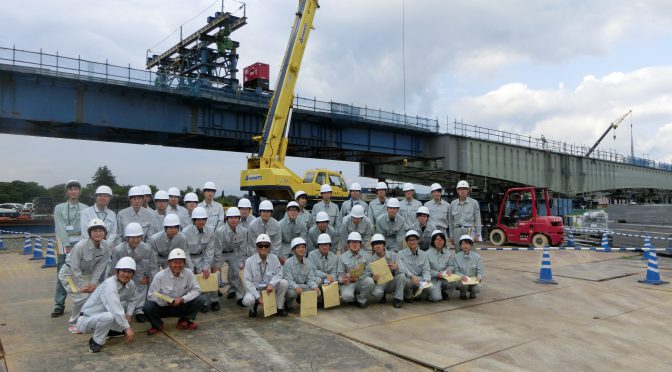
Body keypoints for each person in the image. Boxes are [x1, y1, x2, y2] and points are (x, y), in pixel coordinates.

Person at [75, 257, 138, 353]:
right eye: (123, 271)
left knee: (121, 310)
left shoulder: (131, 284)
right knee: (111, 315)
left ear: (133, 274)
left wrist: (129, 315)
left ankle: (110, 330)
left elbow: (133, 299)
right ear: (116, 271)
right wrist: (127, 328)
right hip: (86, 320)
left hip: (101, 316)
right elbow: (115, 308)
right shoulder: (110, 285)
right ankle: (96, 342)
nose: (126, 274)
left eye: (130, 272)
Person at [58, 218, 112, 323]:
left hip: (88, 274)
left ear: (105, 233)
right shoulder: (80, 246)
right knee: (81, 296)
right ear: (89, 233)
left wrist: (92, 283)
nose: (98, 233)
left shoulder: (106, 246)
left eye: (101, 230)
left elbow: (100, 266)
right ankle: (75, 320)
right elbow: (74, 268)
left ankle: (90, 317)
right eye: (95, 231)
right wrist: (84, 286)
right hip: (69, 275)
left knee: (98, 293)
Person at [144, 248, 206, 334]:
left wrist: (183, 299)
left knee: (201, 299)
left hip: (182, 305)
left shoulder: (188, 273)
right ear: (169, 264)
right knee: (147, 306)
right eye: (175, 262)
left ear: (184, 263)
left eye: (180, 262)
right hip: (164, 307)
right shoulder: (160, 276)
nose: (178, 265)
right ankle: (157, 324)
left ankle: (185, 320)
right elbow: (151, 295)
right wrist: (166, 302)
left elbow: (197, 290)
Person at [51, 180, 88, 317]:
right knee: (62, 273)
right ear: (67, 192)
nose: (73, 191)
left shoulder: (85, 208)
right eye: (70, 189)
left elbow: (86, 228)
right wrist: (66, 245)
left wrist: (82, 245)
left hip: (80, 243)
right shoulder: (59, 208)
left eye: (76, 189)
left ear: (79, 191)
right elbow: (60, 227)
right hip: (63, 244)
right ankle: (59, 304)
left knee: (81, 275)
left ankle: (83, 304)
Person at [108, 223, 151, 322]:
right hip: (122, 272)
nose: (135, 240)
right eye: (132, 237)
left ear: (141, 237)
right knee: (121, 290)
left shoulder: (146, 248)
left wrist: (146, 276)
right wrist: (114, 280)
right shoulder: (118, 249)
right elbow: (114, 266)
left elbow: (147, 264)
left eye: (138, 237)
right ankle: (121, 309)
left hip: (138, 271)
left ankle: (139, 310)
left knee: (142, 286)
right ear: (127, 237)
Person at [242, 234, 289, 317]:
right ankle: (253, 307)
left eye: (266, 245)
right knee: (247, 300)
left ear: (269, 247)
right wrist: (258, 297)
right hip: (256, 289)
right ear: (257, 247)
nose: (263, 248)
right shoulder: (249, 261)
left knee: (284, 283)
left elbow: (279, 273)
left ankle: (279, 307)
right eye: (260, 245)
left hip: (269, 289)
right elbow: (248, 282)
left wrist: (272, 284)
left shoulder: (274, 258)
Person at [182, 207, 216, 312]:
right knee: (189, 280)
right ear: (194, 220)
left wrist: (206, 267)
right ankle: (191, 302)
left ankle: (206, 302)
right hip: (189, 258)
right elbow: (185, 252)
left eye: (203, 219)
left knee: (205, 277)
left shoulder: (210, 232)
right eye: (198, 219)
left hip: (202, 257)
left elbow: (210, 251)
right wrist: (191, 267)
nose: (201, 222)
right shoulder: (185, 232)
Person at [213, 207, 249, 306]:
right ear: (227, 219)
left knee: (241, 272)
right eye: (231, 217)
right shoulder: (220, 231)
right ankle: (214, 299)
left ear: (239, 219)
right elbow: (218, 249)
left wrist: (241, 263)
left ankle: (240, 296)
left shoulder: (243, 231)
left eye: (236, 217)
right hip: (221, 254)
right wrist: (217, 264)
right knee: (216, 274)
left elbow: (242, 249)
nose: (233, 220)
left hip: (233, 253)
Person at [337, 232, 374, 308]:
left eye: (357, 242)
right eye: (352, 242)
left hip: (361, 280)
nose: (354, 244)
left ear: (360, 244)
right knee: (346, 297)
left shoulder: (366, 255)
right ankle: (353, 297)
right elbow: (339, 274)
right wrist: (343, 279)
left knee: (370, 281)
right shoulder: (342, 257)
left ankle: (361, 298)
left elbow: (369, 271)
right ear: (348, 244)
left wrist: (358, 278)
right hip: (348, 282)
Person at [368, 234, 405, 308]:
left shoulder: (394, 255)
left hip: (392, 282)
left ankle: (397, 299)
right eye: (375, 244)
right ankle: (382, 295)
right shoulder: (371, 260)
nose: (378, 246)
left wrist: (397, 267)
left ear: (384, 245)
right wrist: (373, 277)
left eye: (380, 243)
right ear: (372, 247)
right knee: (376, 294)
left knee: (402, 276)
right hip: (380, 283)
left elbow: (403, 269)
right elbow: (368, 274)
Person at [283, 237, 320, 310]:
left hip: (303, 286)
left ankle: (301, 300)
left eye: (303, 247)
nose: (301, 249)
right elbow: (289, 280)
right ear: (294, 250)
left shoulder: (308, 262)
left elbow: (311, 278)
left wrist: (314, 287)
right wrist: (296, 287)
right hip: (292, 287)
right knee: (292, 293)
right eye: (298, 247)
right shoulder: (288, 263)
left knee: (317, 293)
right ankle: (287, 303)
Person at [149, 214, 188, 278]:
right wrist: (155, 278)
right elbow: (153, 262)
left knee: (172, 277)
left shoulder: (182, 238)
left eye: (175, 227)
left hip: (170, 259)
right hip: (157, 258)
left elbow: (185, 254)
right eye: (170, 227)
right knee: (154, 278)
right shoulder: (155, 239)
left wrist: (191, 270)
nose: (173, 230)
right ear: (165, 228)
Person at [397, 230, 431, 302]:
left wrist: (426, 279)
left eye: (414, 240)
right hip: (409, 277)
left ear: (418, 240)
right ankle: (408, 296)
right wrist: (412, 276)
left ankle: (417, 294)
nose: (412, 242)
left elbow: (426, 269)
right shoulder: (401, 254)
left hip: (419, 278)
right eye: (409, 240)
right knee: (407, 281)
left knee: (429, 286)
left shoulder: (424, 254)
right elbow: (403, 268)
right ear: (406, 241)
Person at [449, 180, 482, 251]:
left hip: (470, 230)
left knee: (471, 252)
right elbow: (451, 221)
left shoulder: (474, 203)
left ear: (468, 190)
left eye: (464, 189)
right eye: (460, 189)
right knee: (458, 252)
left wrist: (478, 234)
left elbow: (477, 219)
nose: (462, 191)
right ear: (457, 191)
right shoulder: (453, 204)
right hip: (457, 230)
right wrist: (451, 236)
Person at [449, 235, 484, 300]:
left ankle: (472, 293)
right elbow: (456, 271)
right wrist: (462, 276)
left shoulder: (477, 257)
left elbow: (480, 270)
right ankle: (463, 293)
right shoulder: (456, 257)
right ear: (460, 246)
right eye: (463, 244)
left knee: (477, 288)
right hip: (462, 280)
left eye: (467, 244)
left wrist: (479, 277)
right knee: (463, 285)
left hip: (473, 280)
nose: (465, 246)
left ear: (471, 245)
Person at [426, 230, 455, 302]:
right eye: (437, 239)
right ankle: (431, 293)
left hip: (444, 278)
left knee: (455, 281)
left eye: (441, 239)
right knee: (436, 298)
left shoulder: (448, 253)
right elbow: (426, 269)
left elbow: (451, 265)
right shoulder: (427, 254)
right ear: (433, 241)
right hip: (433, 279)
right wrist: (436, 274)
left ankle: (444, 292)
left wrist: (449, 270)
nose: (439, 241)